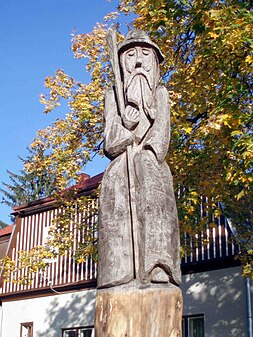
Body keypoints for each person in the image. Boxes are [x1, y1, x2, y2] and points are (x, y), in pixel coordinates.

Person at [98, 30, 181, 288]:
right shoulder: (113, 96)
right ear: (122, 63)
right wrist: (126, 128)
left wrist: (146, 154)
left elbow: (162, 137)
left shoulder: (161, 96)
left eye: (145, 55)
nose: (137, 62)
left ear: (154, 62)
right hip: (120, 169)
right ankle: (119, 272)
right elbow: (110, 143)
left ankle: (159, 265)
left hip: (151, 164)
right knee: (117, 214)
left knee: (157, 207)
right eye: (130, 55)